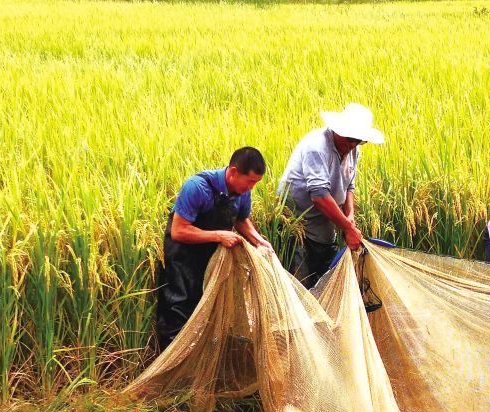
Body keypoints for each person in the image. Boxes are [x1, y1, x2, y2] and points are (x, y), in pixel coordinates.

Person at [156, 147, 273, 352]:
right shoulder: (197, 187)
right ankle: (171, 363)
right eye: (251, 181)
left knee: (209, 307)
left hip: (211, 257)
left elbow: (241, 220)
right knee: (180, 306)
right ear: (234, 172)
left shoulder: (242, 192)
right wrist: (219, 235)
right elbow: (178, 231)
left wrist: (258, 240)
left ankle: (200, 359)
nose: (251, 188)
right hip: (184, 256)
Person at [278, 103, 384, 288]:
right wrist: (347, 227)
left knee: (325, 286)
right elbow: (319, 196)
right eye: (350, 139)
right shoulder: (317, 147)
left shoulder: (353, 150)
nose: (352, 145)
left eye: (358, 141)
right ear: (338, 130)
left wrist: (349, 220)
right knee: (301, 287)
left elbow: (349, 186)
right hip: (298, 226)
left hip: (325, 226)